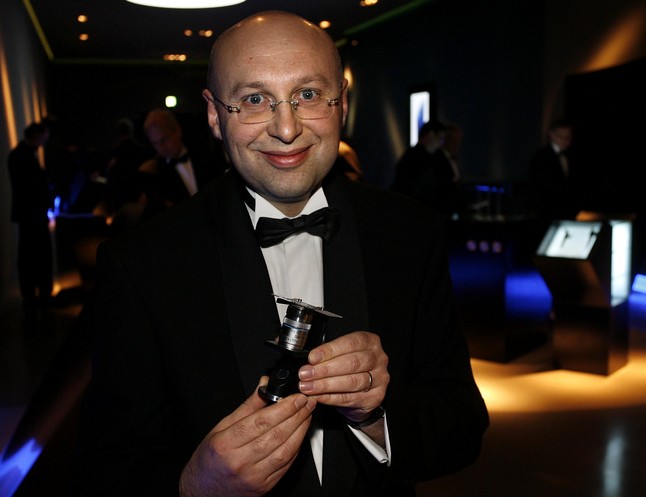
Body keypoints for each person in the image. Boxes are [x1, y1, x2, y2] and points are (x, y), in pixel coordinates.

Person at [73, 11, 488, 497]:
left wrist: (375, 414)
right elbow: (106, 464)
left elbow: (461, 429)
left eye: (308, 94)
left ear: (342, 102)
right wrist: (192, 484)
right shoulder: (141, 263)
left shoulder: (410, 233)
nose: (286, 128)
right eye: (254, 100)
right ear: (214, 114)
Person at [136, 108, 228, 220]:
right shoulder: (155, 173)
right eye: (155, 143)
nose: (161, 147)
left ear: (177, 131)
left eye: (164, 139)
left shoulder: (206, 156)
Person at [7, 121, 54, 315]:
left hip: (29, 215)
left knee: (29, 255)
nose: (45, 141)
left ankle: (33, 295)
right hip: (33, 215)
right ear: (37, 135)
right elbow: (32, 187)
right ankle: (39, 295)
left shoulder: (18, 155)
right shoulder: (23, 156)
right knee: (37, 255)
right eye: (44, 136)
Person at [527, 118, 580, 247]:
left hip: (569, 213)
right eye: (562, 136)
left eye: (568, 137)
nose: (566, 140)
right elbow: (538, 189)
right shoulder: (540, 158)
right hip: (547, 215)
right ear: (552, 135)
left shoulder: (573, 156)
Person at [391, 119, 459, 215]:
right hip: (413, 210)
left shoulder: (418, 155)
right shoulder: (417, 157)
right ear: (430, 135)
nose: (441, 143)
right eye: (440, 138)